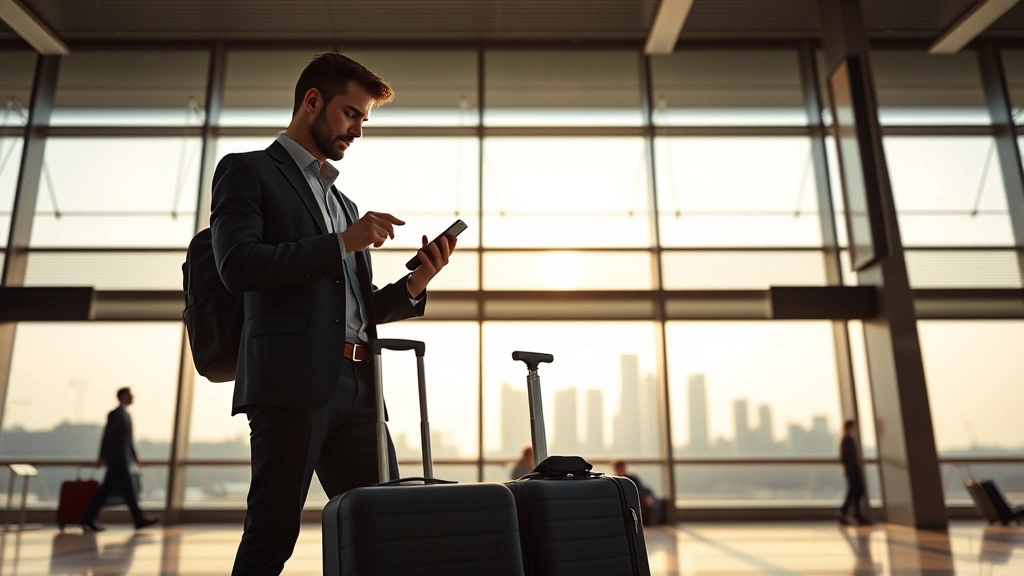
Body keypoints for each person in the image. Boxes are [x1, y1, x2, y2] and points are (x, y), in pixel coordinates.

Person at [210, 53, 457, 575]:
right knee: (273, 535)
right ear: (313, 101)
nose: (358, 130)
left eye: (364, 120)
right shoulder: (248, 170)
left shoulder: (344, 203)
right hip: (290, 382)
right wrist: (342, 242)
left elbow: (356, 306)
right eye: (351, 114)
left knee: (384, 526)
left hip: (361, 386)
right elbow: (238, 265)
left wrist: (415, 283)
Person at [80, 388, 158, 532]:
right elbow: (107, 436)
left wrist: (134, 456)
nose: (133, 397)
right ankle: (138, 519)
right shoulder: (116, 414)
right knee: (128, 490)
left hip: (122, 460)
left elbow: (129, 440)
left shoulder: (126, 415)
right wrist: (102, 457)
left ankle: (88, 518)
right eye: (130, 395)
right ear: (123, 396)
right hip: (117, 461)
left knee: (109, 491)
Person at [839, 419, 872, 526]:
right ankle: (851, 514)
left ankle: (847, 513)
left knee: (854, 492)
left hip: (851, 469)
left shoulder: (847, 439)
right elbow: (847, 457)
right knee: (856, 491)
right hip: (852, 469)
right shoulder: (847, 439)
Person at [612, 460, 664, 526]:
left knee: (651, 502)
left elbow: (642, 489)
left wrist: (647, 497)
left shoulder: (632, 479)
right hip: (628, 501)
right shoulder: (614, 481)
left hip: (638, 498)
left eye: (621, 467)